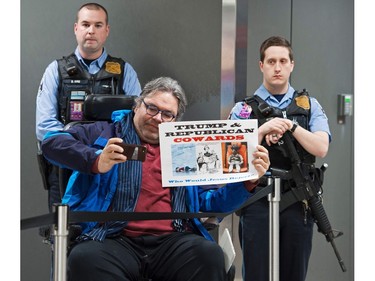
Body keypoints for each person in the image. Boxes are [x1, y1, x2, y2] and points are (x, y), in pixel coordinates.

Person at [41, 76, 270, 281]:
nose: (157, 118)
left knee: (209, 256)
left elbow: (211, 203)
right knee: (84, 259)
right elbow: (52, 143)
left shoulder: (189, 147)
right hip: (112, 236)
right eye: (151, 108)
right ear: (137, 105)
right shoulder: (105, 133)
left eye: (167, 114)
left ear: (174, 120)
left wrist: (247, 183)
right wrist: (96, 159)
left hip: (173, 240)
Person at [228, 36, 331, 281]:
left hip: (298, 200)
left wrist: (290, 127)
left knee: (294, 273)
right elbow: (231, 149)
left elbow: (321, 147)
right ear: (261, 65)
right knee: (257, 273)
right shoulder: (243, 108)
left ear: (292, 65)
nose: (277, 67)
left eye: (283, 61)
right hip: (257, 200)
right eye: (271, 61)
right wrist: (263, 130)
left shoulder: (309, 106)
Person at [35, 2, 142, 211]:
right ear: (76, 28)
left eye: (98, 25)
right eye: (85, 24)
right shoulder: (56, 70)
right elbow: (45, 127)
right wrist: (82, 154)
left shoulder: (124, 71)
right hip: (66, 165)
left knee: (109, 232)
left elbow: (137, 121)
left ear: (107, 30)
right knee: (64, 233)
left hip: (113, 167)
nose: (91, 30)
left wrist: (104, 154)